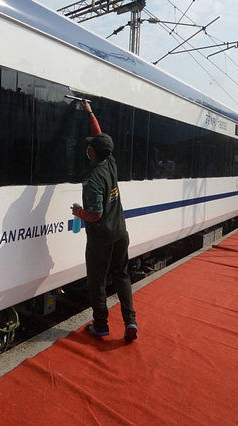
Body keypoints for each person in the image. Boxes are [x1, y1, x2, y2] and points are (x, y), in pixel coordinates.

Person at [71, 100, 138, 343]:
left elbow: (96, 213)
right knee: (121, 275)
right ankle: (130, 320)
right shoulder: (110, 161)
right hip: (121, 232)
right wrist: (90, 113)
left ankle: (100, 325)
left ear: (93, 152)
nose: (88, 149)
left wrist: (79, 212)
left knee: (97, 282)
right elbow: (98, 135)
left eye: (90, 148)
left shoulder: (93, 178)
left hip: (101, 238)